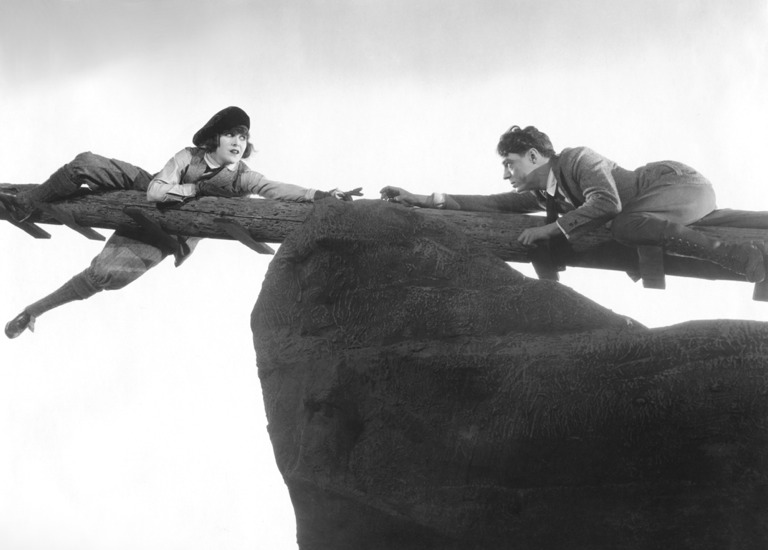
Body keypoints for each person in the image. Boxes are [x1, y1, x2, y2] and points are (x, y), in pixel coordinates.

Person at [0, 106, 360, 339]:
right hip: (149, 189)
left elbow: (275, 188)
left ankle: (32, 311)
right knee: (86, 162)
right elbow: (157, 190)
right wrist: (191, 187)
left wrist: (319, 195)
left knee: (104, 276)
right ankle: (26, 204)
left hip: (169, 231)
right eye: (231, 134)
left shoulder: (242, 178)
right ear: (213, 138)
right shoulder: (188, 157)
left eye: (243, 136)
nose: (238, 141)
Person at [381, 125, 766, 284]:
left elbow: (607, 202)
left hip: (679, 184)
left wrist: (550, 228)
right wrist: (425, 200)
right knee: (636, 224)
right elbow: (494, 204)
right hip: (681, 207)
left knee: (624, 225)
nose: (505, 175)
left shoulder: (580, 160)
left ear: (533, 156)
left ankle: (744, 258)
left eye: (509, 164)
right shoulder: (547, 191)